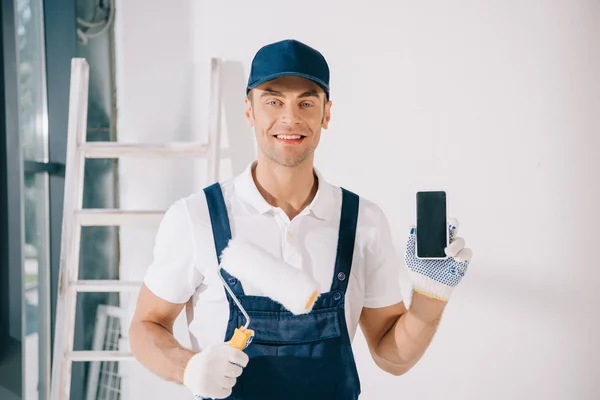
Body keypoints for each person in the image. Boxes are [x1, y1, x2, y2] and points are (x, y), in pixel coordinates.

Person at [129, 39, 473, 400]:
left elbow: (392, 358)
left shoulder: (363, 222)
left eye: (306, 103)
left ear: (326, 114)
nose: (290, 118)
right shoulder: (197, 217)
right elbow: (145, 325)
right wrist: (186, 367)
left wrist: (431, 297)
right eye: (273, 101)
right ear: (249, 111)